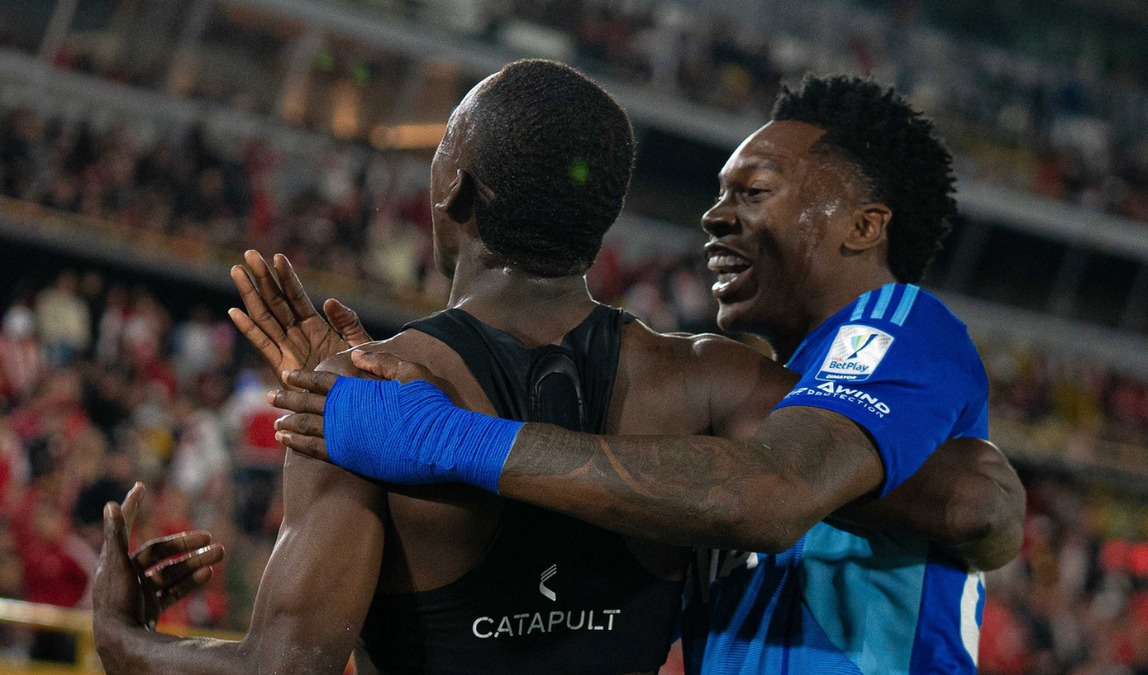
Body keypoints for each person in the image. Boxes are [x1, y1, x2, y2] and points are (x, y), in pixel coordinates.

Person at [94, 64, 1018, 675]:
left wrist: (124, 641)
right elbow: (971, 494)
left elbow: (280, 668)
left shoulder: (887, 331)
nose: (714, 217)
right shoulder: (725, 388)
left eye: (752, 191)